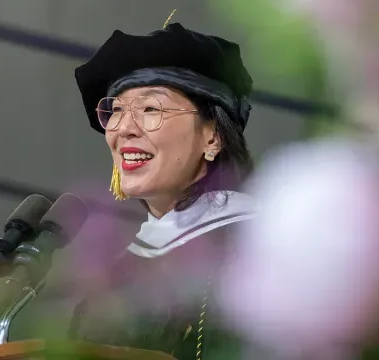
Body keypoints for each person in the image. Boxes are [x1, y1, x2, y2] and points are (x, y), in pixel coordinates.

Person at [67, 19, 257, 359]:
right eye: (116, 111)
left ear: (212, 136)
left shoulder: (257, 246)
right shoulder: (116, 279)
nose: (123, 129)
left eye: (150, 109)